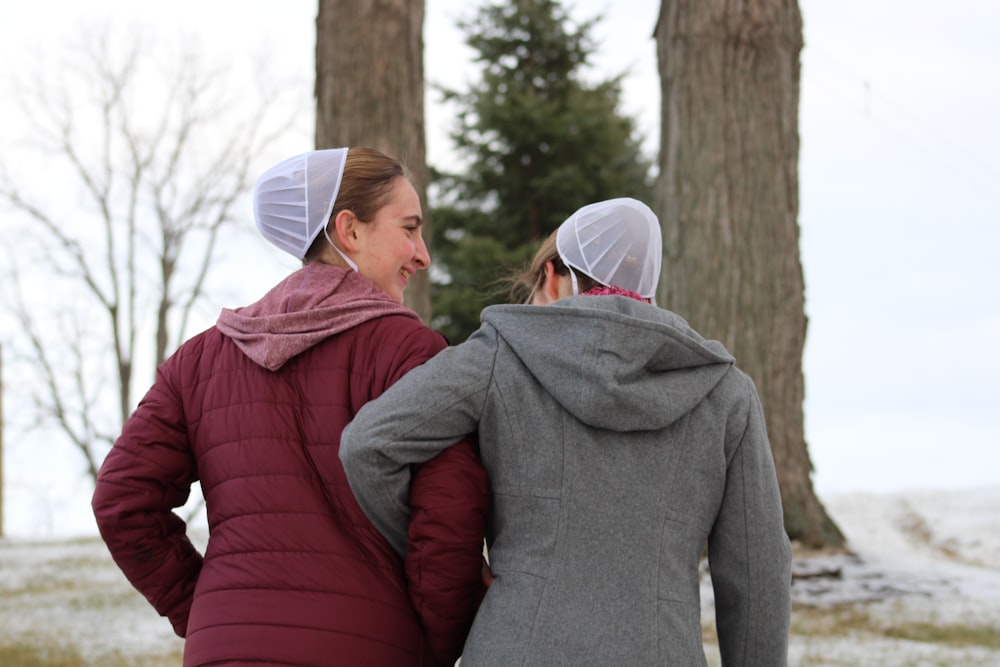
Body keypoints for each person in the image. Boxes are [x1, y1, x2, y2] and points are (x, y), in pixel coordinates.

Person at [340, 197, 793, 666]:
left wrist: (455, 566)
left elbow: (369, 444)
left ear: (554, 278)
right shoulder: (724, 392)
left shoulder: (498, 357)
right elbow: (759, 574)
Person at [91, 147, 490, 667]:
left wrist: (213, 611)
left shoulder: (199, 359)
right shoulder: (409, 354)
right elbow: (450, 516)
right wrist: (435, 643)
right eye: (409, 229)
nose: (422, 254)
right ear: (350, 231)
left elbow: (121, 501)